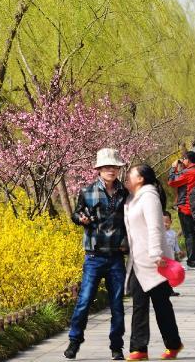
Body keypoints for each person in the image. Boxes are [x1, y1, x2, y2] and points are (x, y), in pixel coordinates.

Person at [65, 148, 130, 360]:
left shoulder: (126, 193)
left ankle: (116, 346)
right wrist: (80, 219)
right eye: (107, 167)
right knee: (84, 300)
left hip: (116, 256)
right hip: (93, 255)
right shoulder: (87, 191)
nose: (111, 170)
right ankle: (74, 341)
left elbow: (132, 221)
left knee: (117, 303)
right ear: (99, 170)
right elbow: (76, 214)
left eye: (114, 167)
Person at [123, 164, 184, 360]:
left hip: (155, 262)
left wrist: (157, 255)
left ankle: (173, 344)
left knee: (161, 305)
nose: (127, 177)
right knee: (139, 304)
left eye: (131, 174)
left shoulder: (149, 197)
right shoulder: (133, 198)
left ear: (140, 178)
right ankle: (139, 348)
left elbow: (155, 227)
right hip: (138, 261)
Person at [163, 213, 183, 297]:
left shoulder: (173, 233)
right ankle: (163, 290)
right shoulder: (159, 233)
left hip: (171, 258)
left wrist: (179, 251)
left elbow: (175, 245)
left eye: (167, 221)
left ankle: (170, 290)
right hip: (163, 258)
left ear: (171, 222)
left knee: (170, 275)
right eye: (162, 222)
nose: (165, 224)